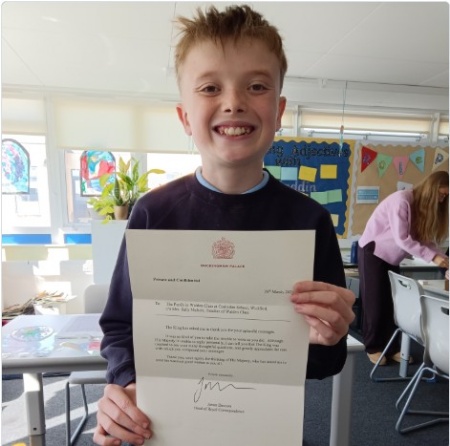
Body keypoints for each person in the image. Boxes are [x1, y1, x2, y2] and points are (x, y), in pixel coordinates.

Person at [93, 5, 355, 445]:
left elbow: (326, 364)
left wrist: (328, 336)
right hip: (164, 429)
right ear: (184, 117)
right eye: (211, 87)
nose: (233, 102)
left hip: (263, 431)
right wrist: (126, 384)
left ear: (278, 111)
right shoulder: (153, 212)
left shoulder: (309, 220)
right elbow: (120, 326)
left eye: (256, 86)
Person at [357, 170, 449, 366]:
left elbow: (424, 240)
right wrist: (433, 258)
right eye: (441, 195)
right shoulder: (402, 200)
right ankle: (373, 347)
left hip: (392, 257)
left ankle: (391, 348)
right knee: (375, 303)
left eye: (445, 197)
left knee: (392, 303)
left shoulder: (423, 208)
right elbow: (402, 239)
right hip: (373, 252)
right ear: (431, 189)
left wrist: (443, 258)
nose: (442, 200)